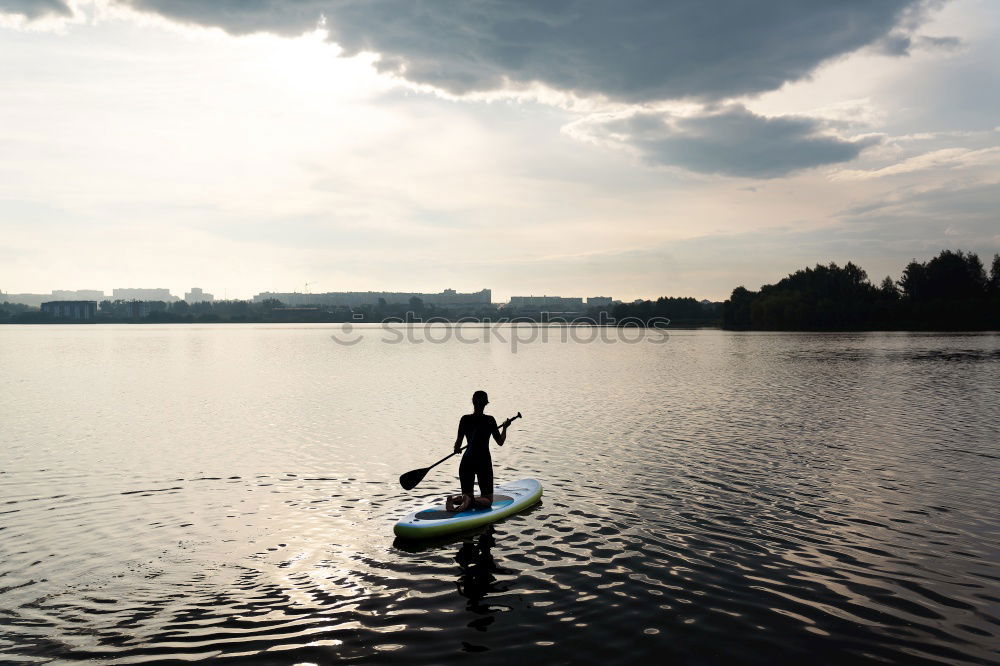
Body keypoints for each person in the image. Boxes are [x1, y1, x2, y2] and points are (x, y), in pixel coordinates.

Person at [445, 391, 512, 512]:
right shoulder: (490, 420)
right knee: (488, 500)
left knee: (467, 494)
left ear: (473, 402)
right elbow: (500, 442)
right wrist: (505, 428)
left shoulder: (464, 419)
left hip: (466, 462)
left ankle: (454, 500)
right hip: (483, 462)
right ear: (486, 404)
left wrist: (457, 449)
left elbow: (457, 444)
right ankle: (470, 501)